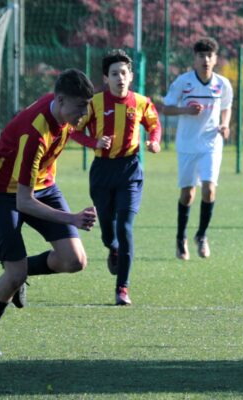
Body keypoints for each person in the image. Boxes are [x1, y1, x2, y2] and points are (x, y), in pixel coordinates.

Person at [0, 69, 97, 357]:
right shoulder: (35, 134)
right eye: (80, 107)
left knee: (74, 260)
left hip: (43, 186)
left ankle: (19, 271)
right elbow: (24, 202)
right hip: (5, 193)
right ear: (62, 100)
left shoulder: (65, 110)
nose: (84, 114)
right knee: (14, 275)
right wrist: (73, 218)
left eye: (86, 106)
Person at [71, 50, 162, 305]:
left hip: (130, 170)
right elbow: (72, 130)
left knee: (125, 227)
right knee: (108, 233)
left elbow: (154, 124)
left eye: (124, 72)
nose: (120, 78)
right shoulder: (94, 104)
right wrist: (94, 141)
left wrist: (154, 141)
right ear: (106, 78)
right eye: (114, 74)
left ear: (131, 76)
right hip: (102, 171)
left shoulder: (142, 102)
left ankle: (122, 288)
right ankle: (111, 247)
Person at [162, 37, 233, 261]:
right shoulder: (184, 82)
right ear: (194, 59)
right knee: (187, 194)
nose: (205, 59)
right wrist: (186, 110)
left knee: (209, 190)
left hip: (211, 144)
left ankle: (201, 236)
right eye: (201, 55)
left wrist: (225, 124)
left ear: (215, 59)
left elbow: (226, 107)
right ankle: (180, 238)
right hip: (187, 145)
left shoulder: (222, 84)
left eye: (209, 55)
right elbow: (165, 108)